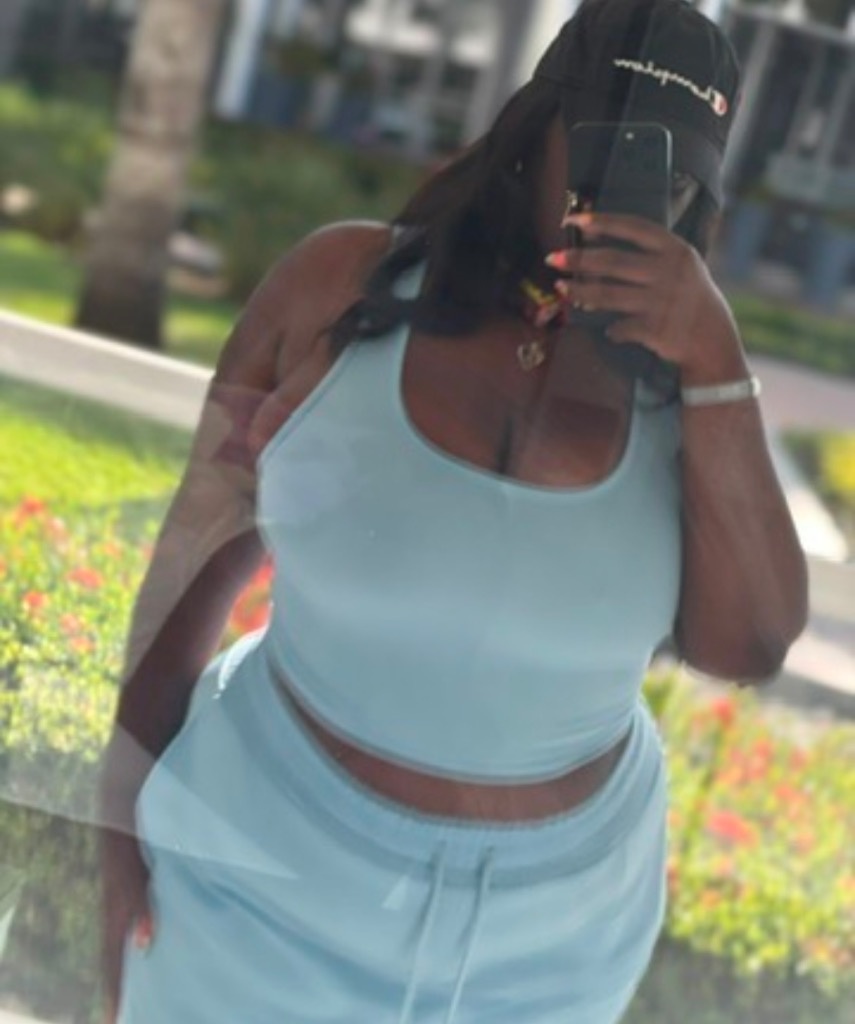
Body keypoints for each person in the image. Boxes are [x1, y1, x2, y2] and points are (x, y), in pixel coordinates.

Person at [99, 1, 808, 1021]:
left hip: (554, 941)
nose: (625, 198)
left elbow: (751, 644)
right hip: (255, 871)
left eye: (671, 176)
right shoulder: (338, 289)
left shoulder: (688, 394)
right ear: (537, 129)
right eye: (603, 154)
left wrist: (714, 356)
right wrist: (117, 818)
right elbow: (194, 560)